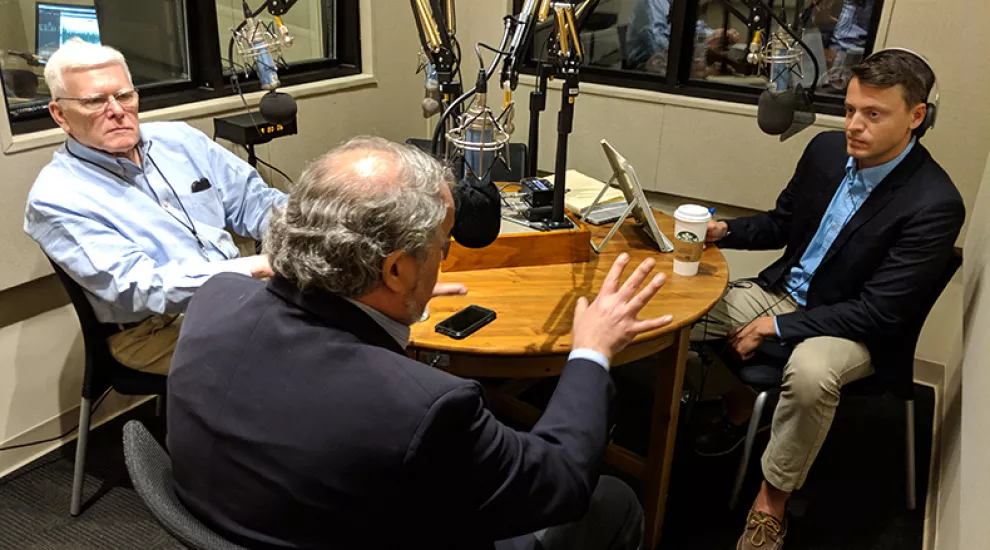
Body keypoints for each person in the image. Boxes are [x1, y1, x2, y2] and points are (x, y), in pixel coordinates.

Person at [167, 136, 674, 550]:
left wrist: (398, 311)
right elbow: (560, 480)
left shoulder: (216, 299)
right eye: (442, 246)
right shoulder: (424, 405)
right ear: (395, 268)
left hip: (244, 520)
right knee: (614, 500)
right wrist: (591, 351)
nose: (444, 259)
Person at [692, 50, 963, 549]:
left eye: (873, 115)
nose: (854, 126)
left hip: (858, 328)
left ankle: (770, 504)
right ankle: (724, 407)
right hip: (787, 293)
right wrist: (723, 230)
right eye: (850, 110)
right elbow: (781, 222)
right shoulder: (824, 150)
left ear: (916, 116)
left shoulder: (934, 203)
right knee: (679, 311)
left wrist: (774, 328)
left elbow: (880, 312)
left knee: (812, 372)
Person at [23, 39, 286, 375]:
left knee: (340, 315)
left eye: (124, 96)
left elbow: (259, 203)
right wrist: (256, 267)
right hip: (154, 329)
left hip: (240, 296)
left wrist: (313, 232)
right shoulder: (57, 197)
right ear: (60, 114)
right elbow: (140, 287)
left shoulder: (179, 141)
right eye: (95, 101)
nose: (116, 110)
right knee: (285, 361)